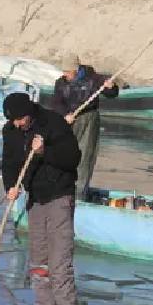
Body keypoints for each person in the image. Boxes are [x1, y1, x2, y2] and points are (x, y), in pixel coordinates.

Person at [1, 92, 82, 305]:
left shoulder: (53, 123)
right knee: (38, 261)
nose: (16, 124)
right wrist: (11, 186)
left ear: (28, 114)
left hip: (59, 195)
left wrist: (44, 152)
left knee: (59, 260)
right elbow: (8, 162)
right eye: (12, 120)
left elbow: (72, 159)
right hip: (34, 197)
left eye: (19, 120)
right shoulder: (10, 131)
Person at [52, 54, 119, 201]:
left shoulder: (93, 78)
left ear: (76, 70)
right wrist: (65, 115)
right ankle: (62, 189)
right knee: (65, 155)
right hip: (70, 120)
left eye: (68, 72)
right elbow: (56, 103)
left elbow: (112, 93)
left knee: (85, 157)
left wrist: (111, 87)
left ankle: (79, 194)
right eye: (64, 71)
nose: (65, 74)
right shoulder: (60, 83)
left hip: (89, 119)